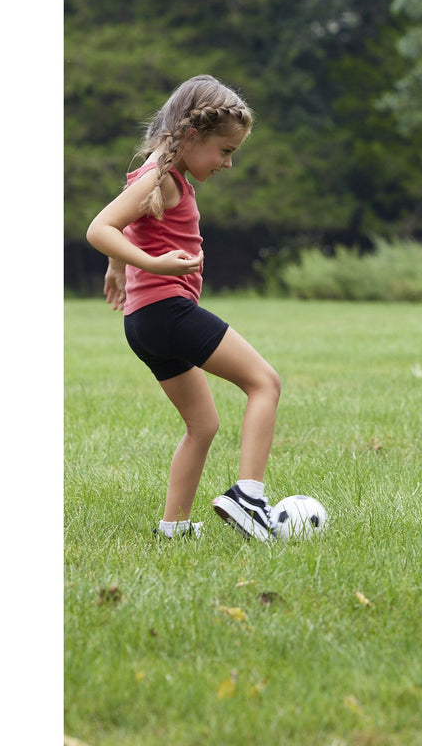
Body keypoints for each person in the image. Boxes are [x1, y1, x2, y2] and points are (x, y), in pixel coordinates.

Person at [87, 75, 281, 543]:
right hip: (166, 312)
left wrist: (118, 268)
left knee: (203, 424)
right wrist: (151, 263)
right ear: (192, 136)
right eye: (225, 150)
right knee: (265, 383)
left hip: (146, 322)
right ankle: (249, 499)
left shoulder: (155, 173)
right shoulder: (161, 177)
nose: (228, 163)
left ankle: (173, 527)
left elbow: (125, 225)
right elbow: (100, 227)